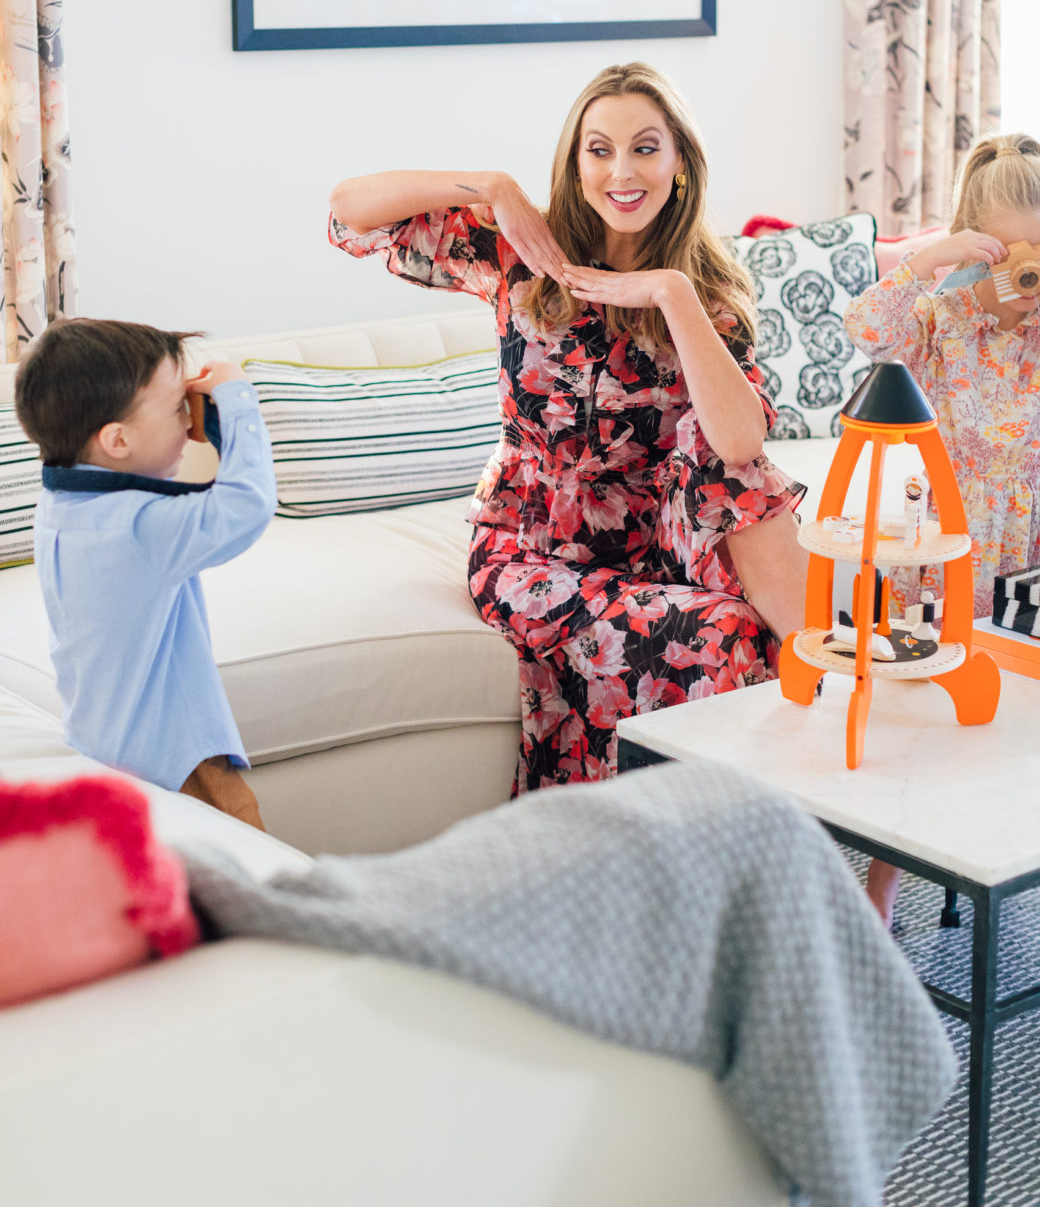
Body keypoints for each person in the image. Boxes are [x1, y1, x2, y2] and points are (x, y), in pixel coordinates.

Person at [329, 61, 808, 791]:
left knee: (723, 461)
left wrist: (671, 294)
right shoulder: (522, 254)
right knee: (726, 634)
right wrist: (491, 187)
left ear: (679, 162)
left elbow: (741, 447)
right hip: (532, 549)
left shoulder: (704, 296)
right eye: (600, 149)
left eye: (646, 147)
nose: (623, 170)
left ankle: (822, 667)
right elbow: (347, 212)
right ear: (576, 163)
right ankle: (819, 703)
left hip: (658, 546)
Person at [844, 133, 1040, 922]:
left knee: (1033, 699)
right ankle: (884, 881)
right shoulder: (943, 315)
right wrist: (928, 263)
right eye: (1010, 255)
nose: (1025, 274)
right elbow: (865, 328)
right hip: (946, 539)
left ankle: (1008, 844)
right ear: (976, 246)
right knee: (927, 708)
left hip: (1037, 536)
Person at [14, 319, 277, 827]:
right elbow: (246, 505)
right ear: (116, 440)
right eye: (178, 408)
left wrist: (206, 422)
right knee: (254, 876)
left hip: (103, 746)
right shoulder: (140, 527)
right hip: (177, 762)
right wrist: (239, 400)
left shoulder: (62, 505)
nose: (187, 422)